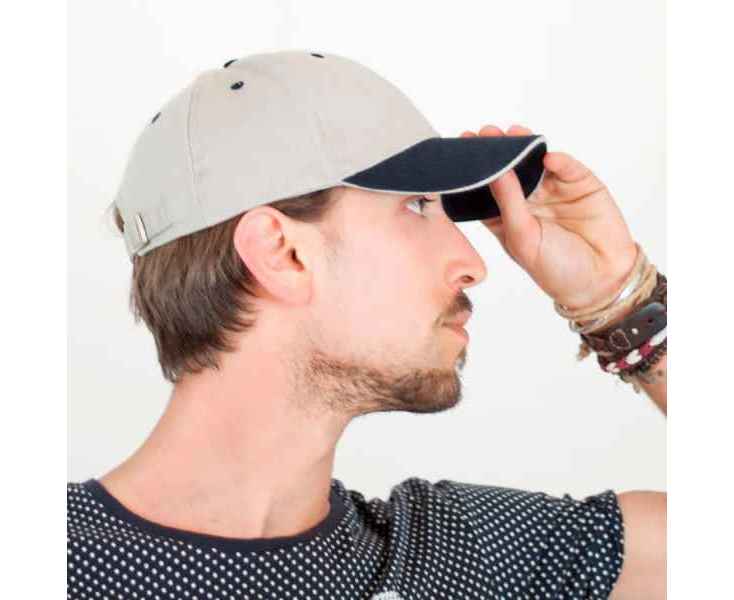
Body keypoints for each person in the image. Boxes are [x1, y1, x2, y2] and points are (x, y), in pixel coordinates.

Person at [68, 51, 666, 599]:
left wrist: (617, 298)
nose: (474, 264)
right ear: (282, 253)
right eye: (417, 205)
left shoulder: (452, 561)